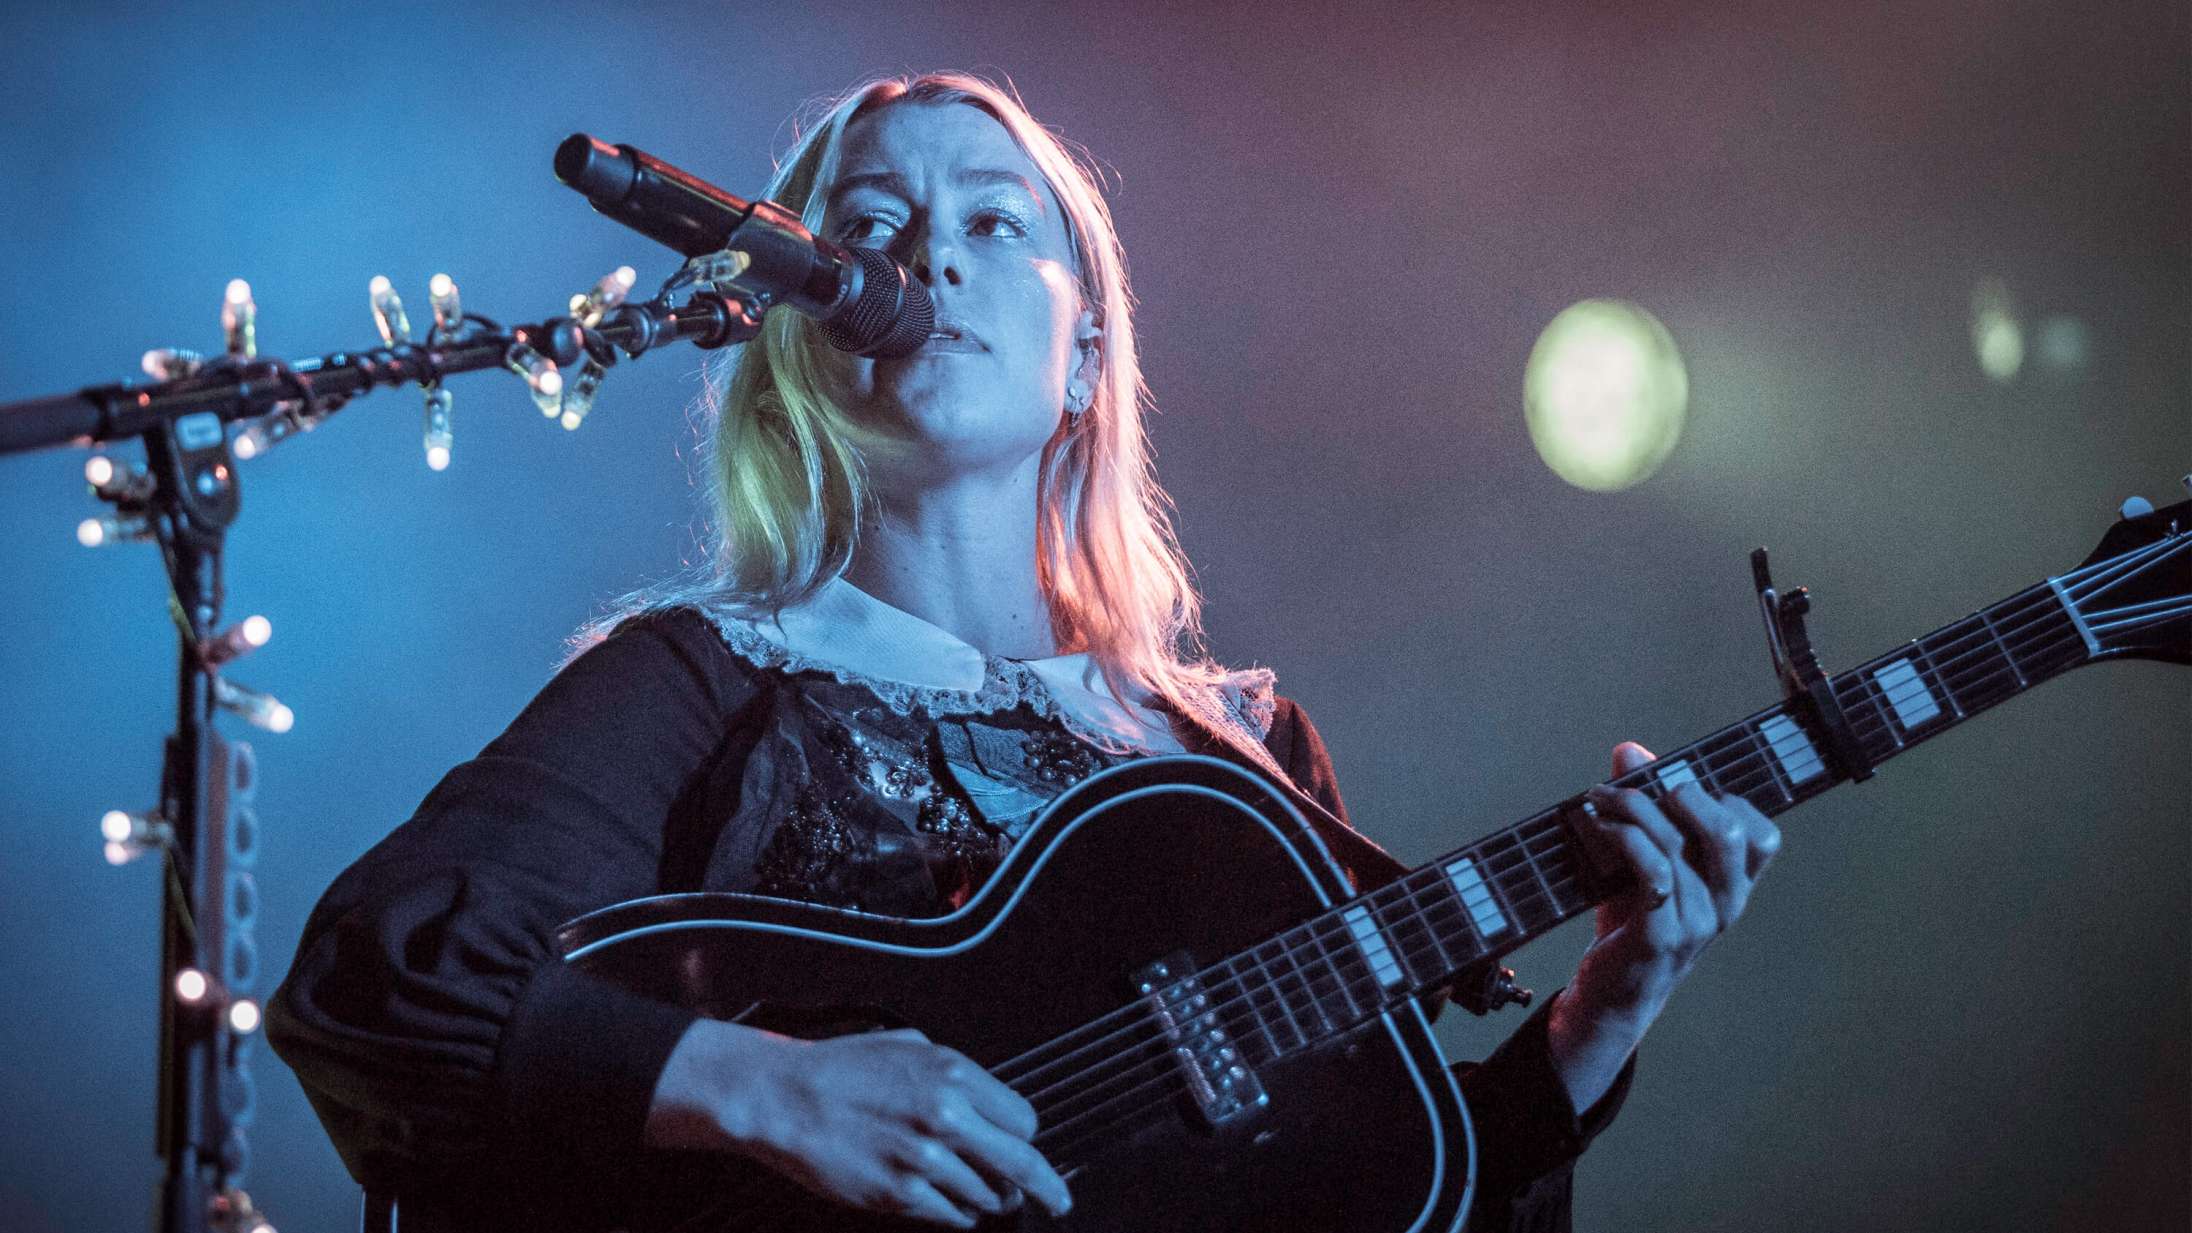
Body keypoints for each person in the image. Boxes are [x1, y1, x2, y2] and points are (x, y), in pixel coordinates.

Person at [267, 71, 1782, 1233]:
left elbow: (1370, 1184)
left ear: (1087, 351)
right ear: (795, 330)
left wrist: (1600, 1015)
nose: (931, 259)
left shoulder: (1240, 758)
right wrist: (764, 1084)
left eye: (997, 221)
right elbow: (371, 978)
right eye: (868, 228)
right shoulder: (701, 680)